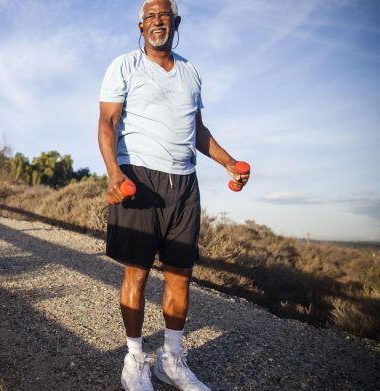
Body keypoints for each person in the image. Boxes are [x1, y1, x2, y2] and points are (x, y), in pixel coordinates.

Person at [97, 0, 250, 390]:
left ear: (175, 21)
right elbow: (107, 121)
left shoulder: (191, 72)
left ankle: (172, 360)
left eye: (163, 15)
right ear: (140, 24)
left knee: (181, 276)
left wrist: (229, 162)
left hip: (184, 183)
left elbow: (197, 129)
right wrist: (114, 171)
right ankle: (134, 360)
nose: (156, 21)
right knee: (138, 272)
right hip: (139, 177)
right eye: (149, 16)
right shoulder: (124, 66)